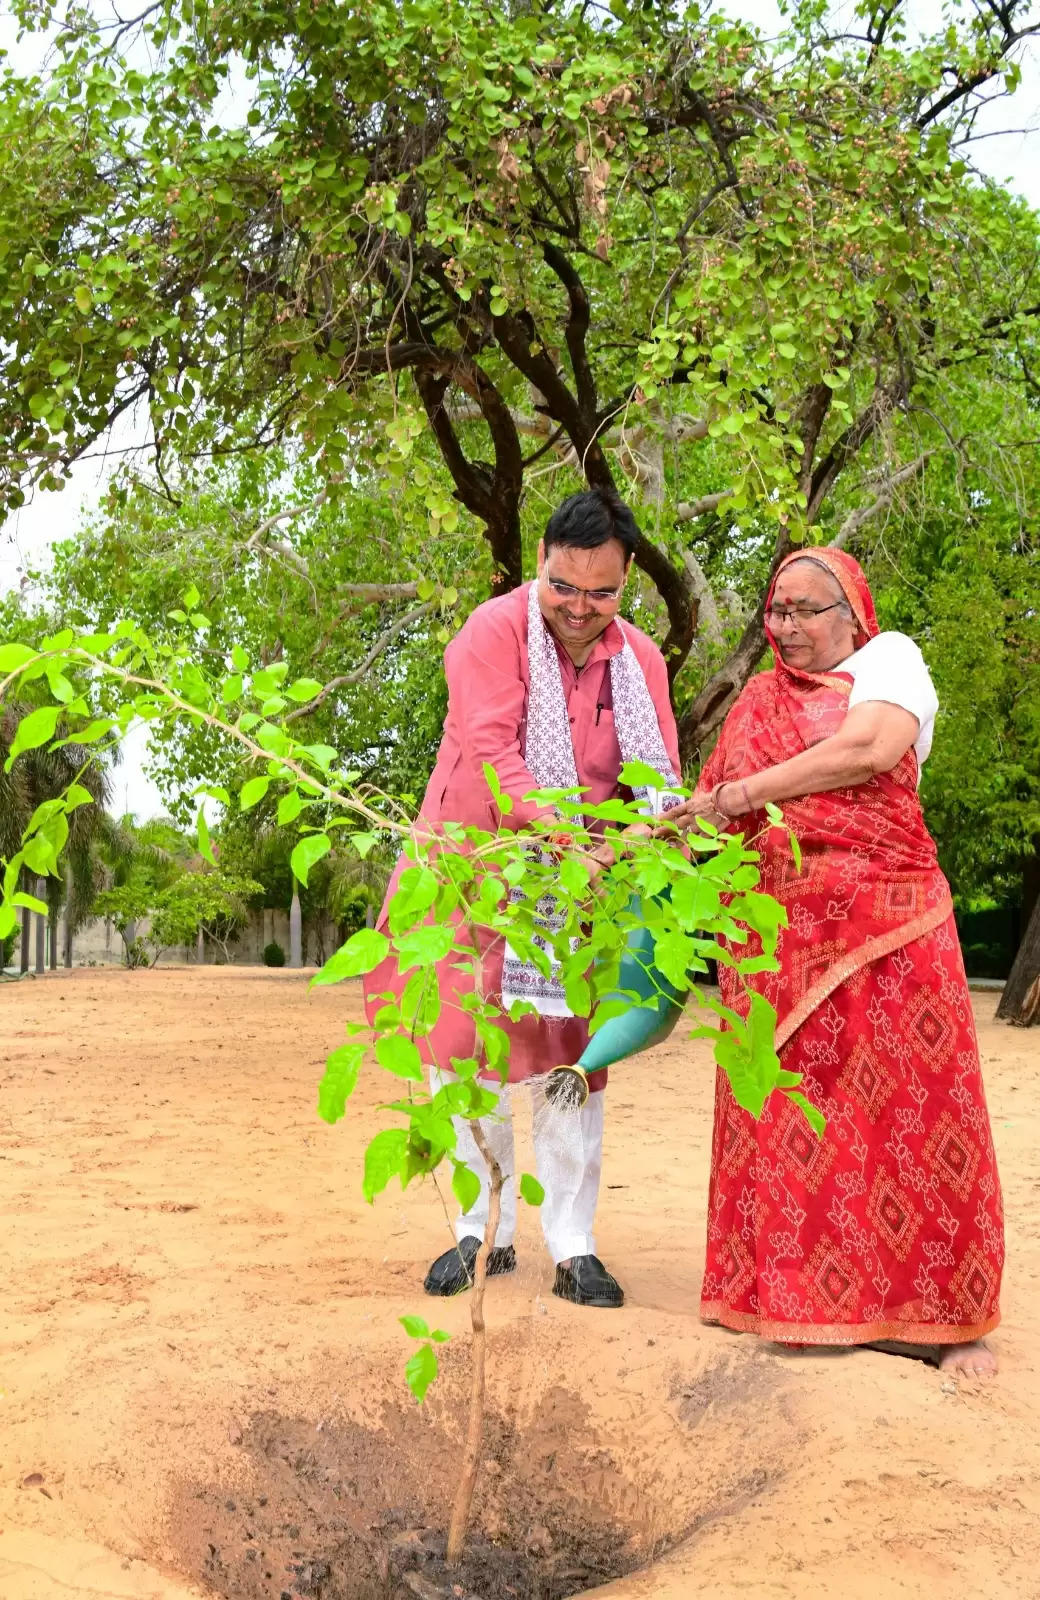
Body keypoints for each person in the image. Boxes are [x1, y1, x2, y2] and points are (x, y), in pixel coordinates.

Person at [666, 548, 1003, 1377]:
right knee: (798, 1116)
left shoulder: (891, 661)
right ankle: (795, 1301)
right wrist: (623, 848)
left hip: (891, 929)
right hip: (777, 941)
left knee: (915, 1116)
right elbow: (705, 816)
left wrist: (745, 796)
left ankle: (943, 1321)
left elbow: (867, 751)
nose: (785, 627)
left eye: (805, 610)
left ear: (853, 611)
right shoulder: (757, 700)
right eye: (775, 610)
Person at [365, 489, 681, 1308]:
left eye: (601, 593)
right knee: (461, 1049)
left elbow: (655, 781)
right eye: (563, 587)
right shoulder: (492, 631)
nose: (579, 609)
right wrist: (555, 832)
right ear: (540, 561)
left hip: (580, 893)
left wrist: (655, 856)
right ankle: (482, 1231)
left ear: (626, 583)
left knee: (573, 1060)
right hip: (474, 876)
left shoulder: (641, 663)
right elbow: (494, 747)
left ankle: (574, 1246)